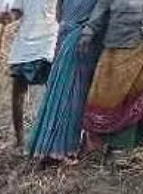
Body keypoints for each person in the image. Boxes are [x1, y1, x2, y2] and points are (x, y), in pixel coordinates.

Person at [28, 0, 101, 162]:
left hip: (66, 33)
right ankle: (63, 148)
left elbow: (58, 15)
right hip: (83, 37)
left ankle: (47, 145)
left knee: (61, 88)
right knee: (75, 91)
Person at [81, 0, 143, 149]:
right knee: (110, 97)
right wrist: (89, 31)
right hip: (119, 47)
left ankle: (139, 144)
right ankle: (111, 145)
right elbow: (102, 7)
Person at [0, 0, 58, 148]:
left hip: (48, 41)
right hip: (25, 42)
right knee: (18, 92)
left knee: (48, 91)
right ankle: (20, 139)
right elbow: (17, 11)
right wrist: (8, 17)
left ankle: (48, 137)